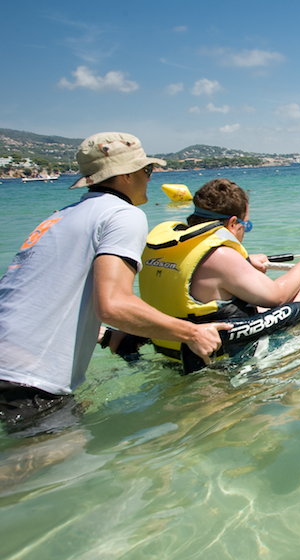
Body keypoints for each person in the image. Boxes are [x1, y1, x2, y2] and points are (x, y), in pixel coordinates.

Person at [0, 132, 227, 436]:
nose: (150, 177)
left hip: (11, 366)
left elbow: (38, 298)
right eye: (147, 170)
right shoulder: (122, 214)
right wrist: (191, 333)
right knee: (53, 470)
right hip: (27, 379)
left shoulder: (61, 217)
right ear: (126, 175)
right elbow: (114, 304)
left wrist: (106, 335)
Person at [110, 178, 300, 373]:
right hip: (220, 351)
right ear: (233, 222)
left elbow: (198, 278)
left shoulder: (166, 240)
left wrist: (246, 262)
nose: (243, 234)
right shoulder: (221, 255)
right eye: (245, 227)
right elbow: (277, 296)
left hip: (174, 349)